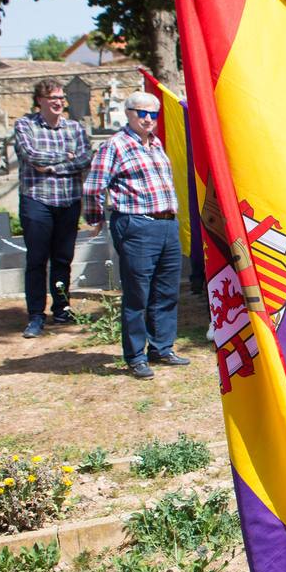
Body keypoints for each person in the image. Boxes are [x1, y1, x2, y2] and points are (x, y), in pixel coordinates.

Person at [83, 92, 189, 379]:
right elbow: (94, 186)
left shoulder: (156, 145)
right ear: (128, 113)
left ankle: (162, 347)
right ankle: (135, 355)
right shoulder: (115, 146)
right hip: (136, 224)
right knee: (137, 293)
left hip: (166, 224)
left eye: (153, 114)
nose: (147, 119)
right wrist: (94, 219)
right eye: (141, 113)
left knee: (166, 290)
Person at [13, 79, 93, 338]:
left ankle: (62, 307)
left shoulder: (75, 129)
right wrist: (65, 157)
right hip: (37, 200)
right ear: (40, 101)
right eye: (52, 98)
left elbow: (84, 158)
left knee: (63, 258)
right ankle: (36, 315)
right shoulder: (25, 125)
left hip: (68, 201)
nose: (58, 102)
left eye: (61, 97)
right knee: (37, 259)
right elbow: (32, 156)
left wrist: (53, 167)